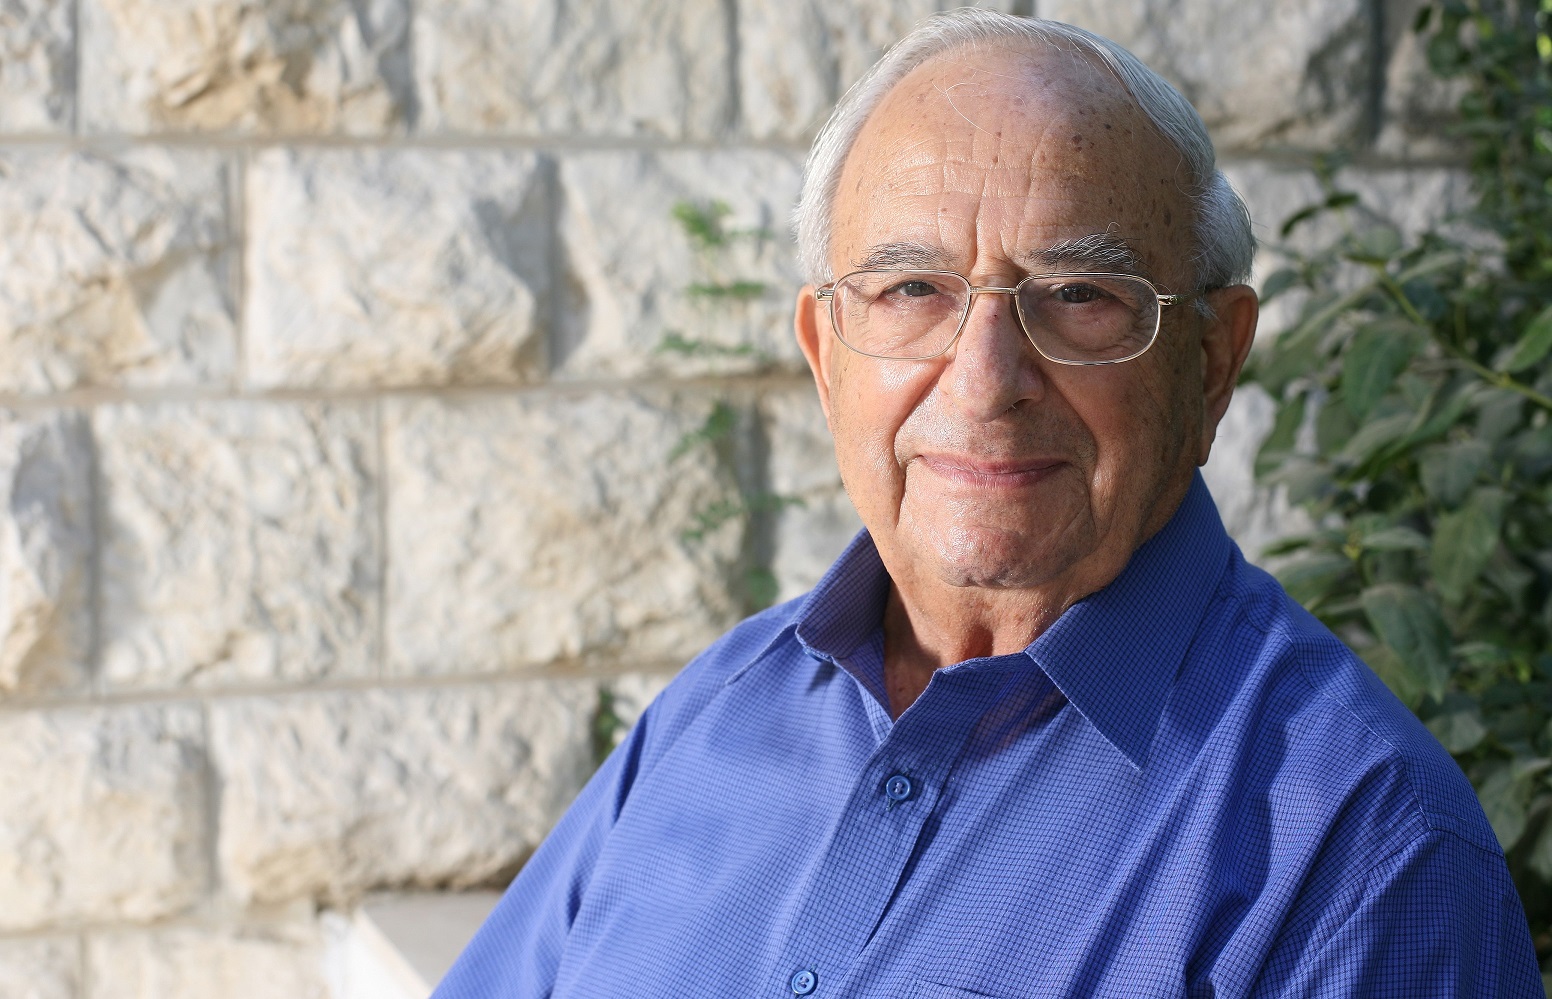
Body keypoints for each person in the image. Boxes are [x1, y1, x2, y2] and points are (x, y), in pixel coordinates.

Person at [434, 10, 1542, 997]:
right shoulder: (718, 708)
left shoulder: (1361, 854)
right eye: (911, 289)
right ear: (825, 358)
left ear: (1211, 363)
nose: (983, 380)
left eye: (1078, 295)